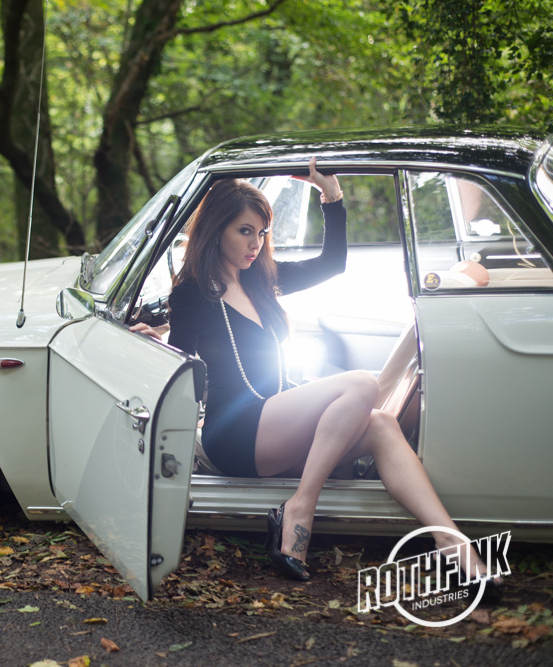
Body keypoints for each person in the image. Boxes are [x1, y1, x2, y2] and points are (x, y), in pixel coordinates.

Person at [162, 159, 498, 589]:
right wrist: (154, 336)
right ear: (216, 229)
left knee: (381, 423)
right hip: (235, 433)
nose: (255, 243)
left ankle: (451, 542)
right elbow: (176, 359)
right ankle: (301, 506)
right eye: (245, 231)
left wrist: (332, 196)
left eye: (262, 232)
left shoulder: (263, 280)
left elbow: (333, 263)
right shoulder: (192, 293)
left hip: (275, 420)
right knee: (362, 384)